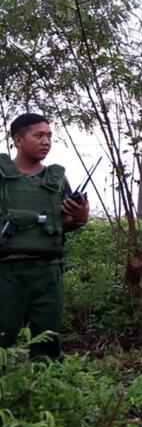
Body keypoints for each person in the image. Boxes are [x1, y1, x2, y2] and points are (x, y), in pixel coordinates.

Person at [0, 113, 89, 360]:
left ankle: (45, 395)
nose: (46, 141)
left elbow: (64, 223)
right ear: (18, 140)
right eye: (38, 135)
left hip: (47, 273)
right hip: (6, 273)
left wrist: (79, 218)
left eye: (49, 136)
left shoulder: (56, 180)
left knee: (48, 345)